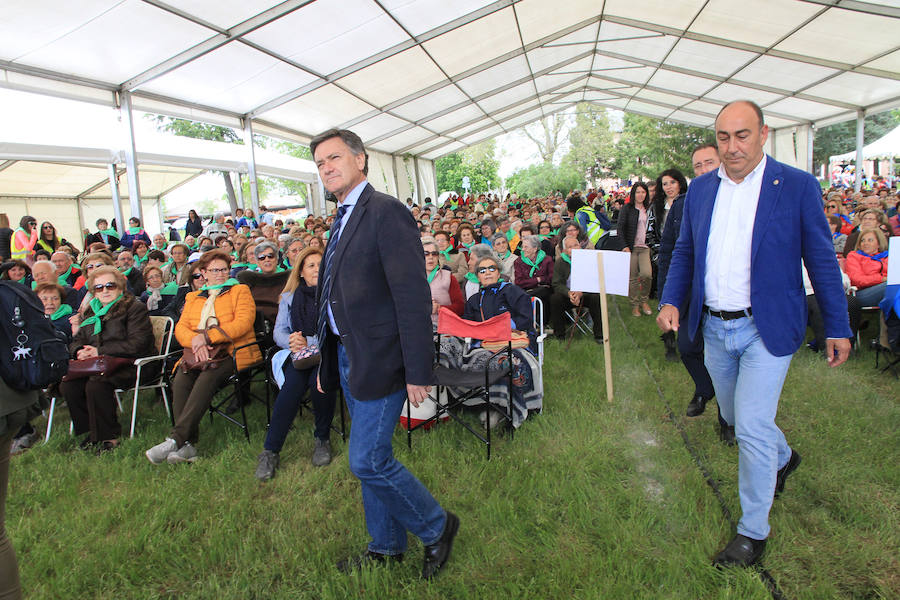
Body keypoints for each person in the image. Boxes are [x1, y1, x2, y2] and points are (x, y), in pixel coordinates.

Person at [657, 101, 852, 568]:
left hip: (768, 327)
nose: (732, 147)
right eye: (723, 137)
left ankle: (752, 532)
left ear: (763, 134)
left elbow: (822, 260)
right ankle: (784, 458)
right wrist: (669, 299)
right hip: (716, 329)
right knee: (735, 413)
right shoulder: (702, 190)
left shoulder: (797, 186)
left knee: (748, 427)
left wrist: (839, 326)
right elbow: (684, 250)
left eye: (741, 135)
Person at [310, 129, 457, 579]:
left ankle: (437, 527)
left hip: (383, 357)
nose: (326, 168)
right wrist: (324, 359)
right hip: (349, 355)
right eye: (319, 163)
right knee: (368, 458)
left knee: (367, 460)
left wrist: (417, 370)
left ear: (361, 159)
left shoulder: (385, 212)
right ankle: (386, 546)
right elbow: (333, 292)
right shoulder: (342, 216)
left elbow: (411, 297)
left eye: (334, 157)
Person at [145, 251, 260, 464]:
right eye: (214, 270)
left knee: (206, 379)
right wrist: (196, 341)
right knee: (180, 381)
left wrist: (207, 337)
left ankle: (175, 440)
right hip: (197, 354)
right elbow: (181, 328)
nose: (220, 274)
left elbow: (243, 322)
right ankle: (188, 445)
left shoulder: (240, 290)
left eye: (224, 269)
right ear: (204, 273)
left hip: (230, 352)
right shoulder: (193, 297)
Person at [657, 143, 733, 443]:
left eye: (709, 163)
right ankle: (705, 388)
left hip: (722, 292)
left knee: (724, 358)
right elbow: (673, 250)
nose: (703, 170)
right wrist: (667, 296)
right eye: (698, 166)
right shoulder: (685, 203)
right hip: (689, 289)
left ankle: (727, 419)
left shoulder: (736, 198)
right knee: (688, 347)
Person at [255, 247, 337, 480]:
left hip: (327, 354)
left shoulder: (333, 294)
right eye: (311, 265)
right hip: (300, 355)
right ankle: (270, 451)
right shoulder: (290, 298)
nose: (317, 269)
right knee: (290, 391)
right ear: (301, 271)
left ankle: (322, 439)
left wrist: (315, 340)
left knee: (320, 384)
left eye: (321, 264)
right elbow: (279, 332)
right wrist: (291, 340)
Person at [437, 255, 542, 427]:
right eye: (482, 270)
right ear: (477, 276)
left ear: (499, 272)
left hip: (511, 341)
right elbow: (467, 326)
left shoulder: (512, 291)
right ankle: (475, 403)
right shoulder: (474, 300)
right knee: (455, 353)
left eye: (492, 268)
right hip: (483, 344)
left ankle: (516, 409)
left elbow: (526, 318)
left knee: (511, 362)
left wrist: (500, 327)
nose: (487, 272)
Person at [59, 266, 156, 453]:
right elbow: (76, 340)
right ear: (93, 291)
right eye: (99, 287)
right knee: (69, 385)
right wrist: (79, 351)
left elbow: (138, 344)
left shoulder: (134, 308)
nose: (104, 291)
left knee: (96, 384)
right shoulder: (90, 312)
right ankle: (92, 432)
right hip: (99, 364)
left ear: (120, 287)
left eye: (110, 286)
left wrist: (98, 351)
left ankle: (108, 437)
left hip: (133, 364)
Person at [550, 236, 603, 343]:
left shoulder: (589, 260)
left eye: (576, 245)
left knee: (595, 297)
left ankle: (599, 335)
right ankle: (560, 335)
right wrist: (569, 293)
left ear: (580, 246)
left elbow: (594, 281)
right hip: (568, 295)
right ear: (564, 251)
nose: (574, 248)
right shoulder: (560, 262)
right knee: (555, 299)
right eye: (570, 247)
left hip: (585, 294)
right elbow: (556, 283)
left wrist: (581, 293)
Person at [618, 182, 657, 318]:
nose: (640, 195)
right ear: (633, 194)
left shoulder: (650, 208)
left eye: (643, 192)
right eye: (638, 192)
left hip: (646, 247)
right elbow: (620, 228)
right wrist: (624, 246)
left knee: (647, 274)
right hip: (632, 247)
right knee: (633, 277)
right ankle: (635, 305)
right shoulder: (627, 209)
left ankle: (644, 300)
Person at [236, 241, 290, 324]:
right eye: (262, 257)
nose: (267, 260)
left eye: (270, 256)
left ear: (277, 259)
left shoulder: (289, 278)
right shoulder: (249, 280)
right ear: (257, 262)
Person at [423, 237, 464, 325]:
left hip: (445, 329)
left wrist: (439, 308)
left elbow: (460, 307)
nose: (431, 257)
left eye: (434, 253)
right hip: (419, 328)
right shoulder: (411, 279)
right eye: (426, 253)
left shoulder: (448, 277)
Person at [845, 229, 889, 307]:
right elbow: (858, 279)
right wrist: (881, 279)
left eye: (870, 240)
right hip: (861, 293)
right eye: (862, 240)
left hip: (885, 289)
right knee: (891, 286)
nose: (865, 243)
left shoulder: (887, 256)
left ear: (879, 243)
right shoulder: (854, 256)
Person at [513, 235, 553, 307]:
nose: (522, 249)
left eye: (526, 247)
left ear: (535, 249)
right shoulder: (518, 262)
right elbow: (519, 282)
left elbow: (550, 279)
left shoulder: (547, 260)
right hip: (526, 291)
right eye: (522, 246)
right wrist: (538, 279)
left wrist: (529, 282)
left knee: (543, 294)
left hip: (544, 292)